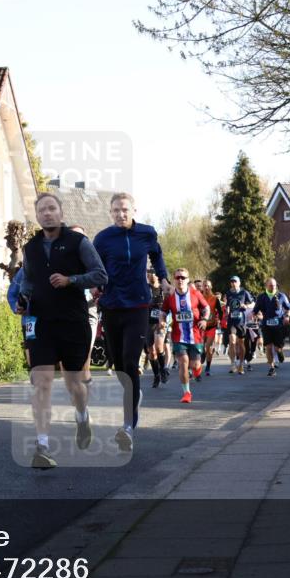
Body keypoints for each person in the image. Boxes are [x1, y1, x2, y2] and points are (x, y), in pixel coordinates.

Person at [17, 195, 107, 468]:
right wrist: (22, 300)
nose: (47, 214)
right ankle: (42, 445)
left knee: (74, 383)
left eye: (51, 208)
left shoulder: (78, 242)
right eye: (41, 210)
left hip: (72, 321)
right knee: (41, 381)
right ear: (37, 215)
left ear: (60, 212)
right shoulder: (30, 247)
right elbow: (29, 281)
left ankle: (82, 416)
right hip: (41, 322)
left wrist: (71, 280)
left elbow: (100, 275)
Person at [93, 192, 168, 452]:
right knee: (119, 366)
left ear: (134, 210)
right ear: (110, 212)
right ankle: (134, 393)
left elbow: (157, 255)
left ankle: (128, 426)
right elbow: (95, 266)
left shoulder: (146, 233)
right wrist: (95, 285)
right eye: (115, 210)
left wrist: (164, 277)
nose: (120, 214)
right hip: (112, 306)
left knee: (129, 361)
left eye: (124, 210)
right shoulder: (102, 239)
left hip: (137, 305)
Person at [161, 268, 210, 403]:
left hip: (195, 335)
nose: (180, 280)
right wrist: (162, 321)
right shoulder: (170, 297)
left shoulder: (196, 294)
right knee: (183, 362)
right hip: (178, 336)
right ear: (174, 280)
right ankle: (186, 392)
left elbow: (206, 308)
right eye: (177, 278)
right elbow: (163, 312)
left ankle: (198, 369)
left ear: (188, 280)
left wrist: (204, 319)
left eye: (183, 277)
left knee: (195, 365)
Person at [68, 224, 100, 383]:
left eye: (81, 237)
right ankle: (77, 386)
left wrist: (97, 289)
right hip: (68, 312)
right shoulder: (60, 260)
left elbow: (102, 278)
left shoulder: (92, 259)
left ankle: (84, 382)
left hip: (89, 311)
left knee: (85, 352)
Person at [253, 277, 290, 377]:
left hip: (278, 325)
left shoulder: (281, 296)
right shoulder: (261, 297)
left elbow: (289, 308)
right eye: (271, 285)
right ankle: (271, 367)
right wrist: (255, 316)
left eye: (275, 285)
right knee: (268, 347)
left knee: (277, 348)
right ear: (266, 286)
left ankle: (280, 352)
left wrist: (287, 316)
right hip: (266, 325)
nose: (273, 287)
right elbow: (255, 310)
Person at [224, 276, 255, 375]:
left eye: (235, 281)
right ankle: (233, 364)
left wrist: (246, 306)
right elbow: (227, 305)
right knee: (232, 341)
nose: (233, 283)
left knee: (241, 343)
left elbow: (253, 304)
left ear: (239, 283)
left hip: (241, 322)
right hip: (231, 321)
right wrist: (227, 309)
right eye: (231, 281)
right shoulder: (228, 293)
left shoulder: (244, 292)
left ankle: (241, 364)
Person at [145, 270, 169, 387]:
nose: (150, 276)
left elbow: (170, 306)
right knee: (151, 351)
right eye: (148, 274)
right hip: (148, 322)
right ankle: (156, 375)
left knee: (159, 346)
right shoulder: (145, 288)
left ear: (157, 275)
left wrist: (165, 320)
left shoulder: (163, 290)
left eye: (152, 273)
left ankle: (163, 369)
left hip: (161, 322)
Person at [200, 280, 223, 377]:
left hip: (211, 326)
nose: (206, 288)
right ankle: (202, 357)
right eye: (204, 286)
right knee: (201, 348)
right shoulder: (199, 297)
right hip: (201, 326)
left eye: (208, 286)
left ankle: (208, 367)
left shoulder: (214, 299)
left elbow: (220, 311)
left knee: (208, 347)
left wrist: (219, 320)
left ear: (211, 287)